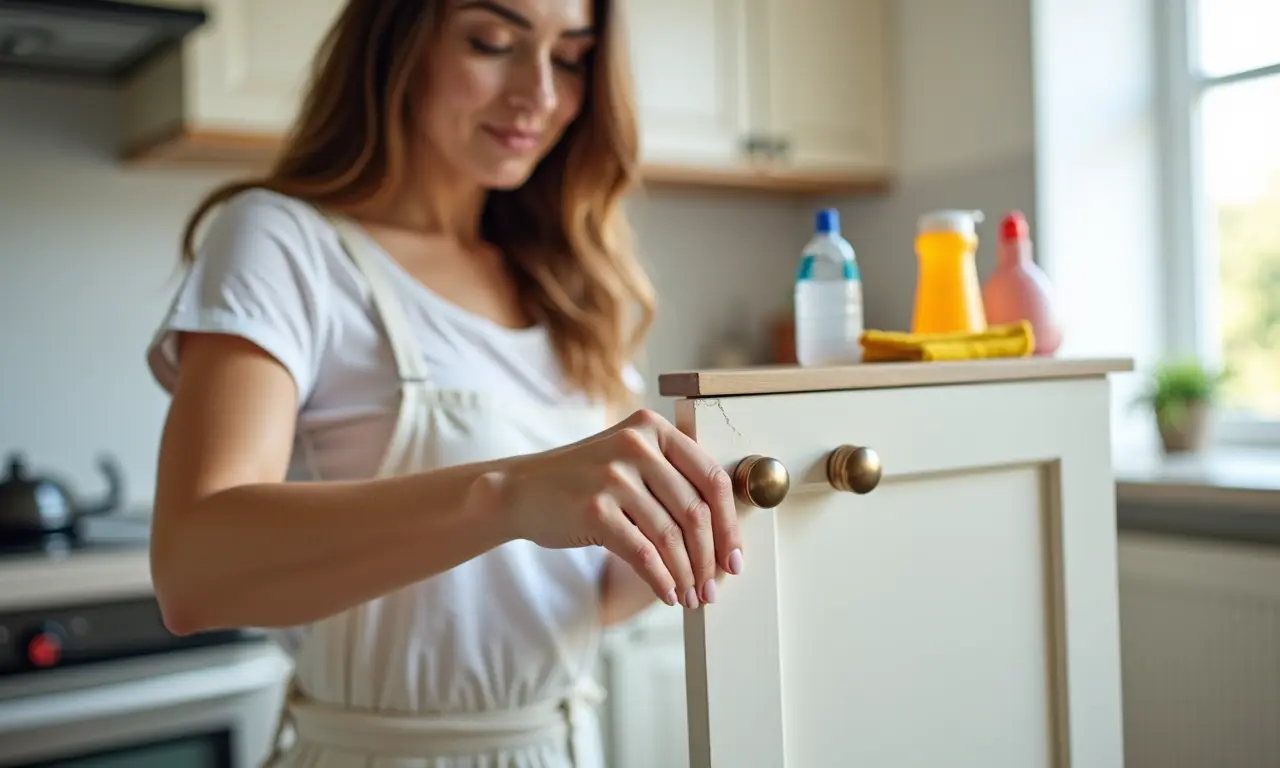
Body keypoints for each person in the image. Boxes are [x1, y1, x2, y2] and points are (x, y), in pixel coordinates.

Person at [143, 0, 744, 765]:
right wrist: (505, 494)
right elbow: (196, 575)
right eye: (493, 41)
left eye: (569, 58)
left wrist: (710, 507)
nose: (541, 93)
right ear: (398, 43)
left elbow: (584, 597)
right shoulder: (285, 242)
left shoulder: (566, 283)